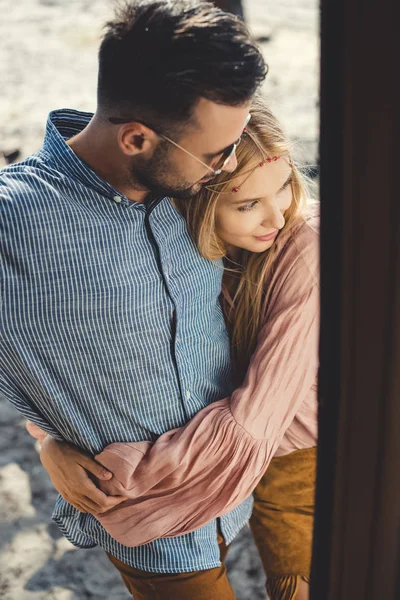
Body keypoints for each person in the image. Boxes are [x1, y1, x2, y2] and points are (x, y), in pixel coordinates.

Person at [0, 1, 266, 599]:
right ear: (138, 138)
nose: (227, 168)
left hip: (251, 486)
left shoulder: (194, 180)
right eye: (216, 153)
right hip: (157, 529)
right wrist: (46, 439)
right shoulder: (11, 223)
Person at [28, 97, 319, 600]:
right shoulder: (174, 243)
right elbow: (74, 352)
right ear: (198, 204)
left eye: (285, 186)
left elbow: (259, 417)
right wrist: (48, 441)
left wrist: (123, 478)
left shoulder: (306, 246)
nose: (278, 214)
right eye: (247, 203)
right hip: (216, 446)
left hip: (299, 453)